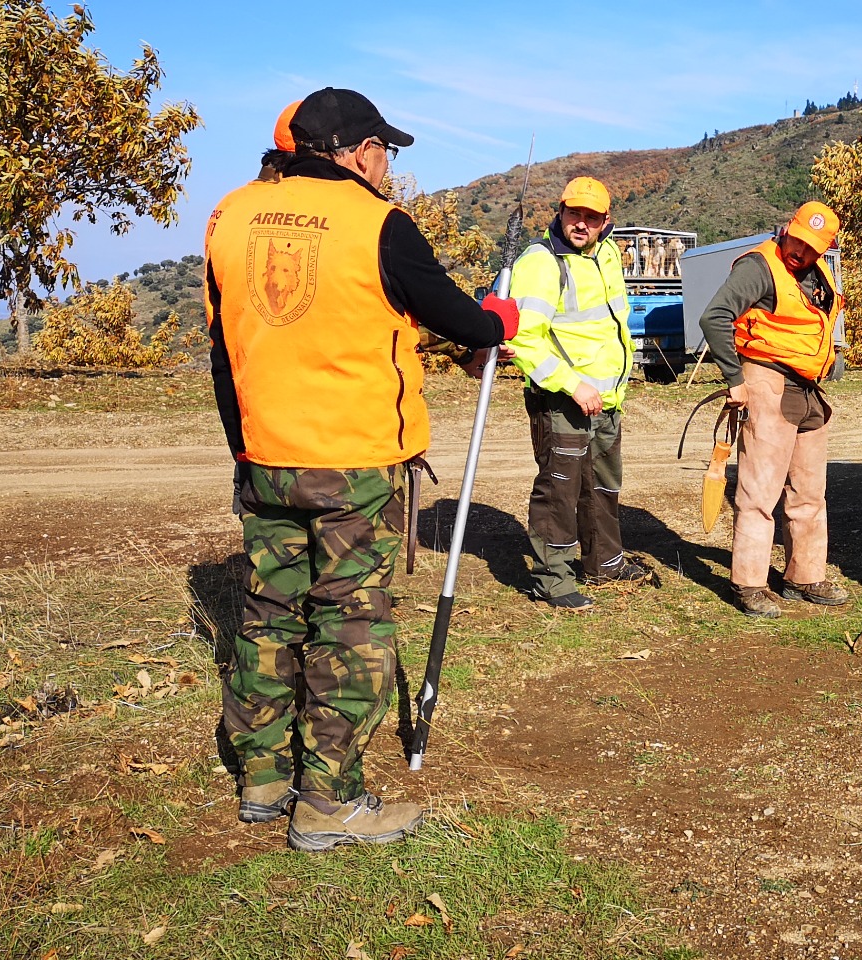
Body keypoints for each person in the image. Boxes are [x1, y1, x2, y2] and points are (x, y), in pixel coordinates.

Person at [203, 87, 520, 851]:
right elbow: (465, 320)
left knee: (270, 614)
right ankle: (329, 802)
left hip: (266, 457)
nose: (390, 165)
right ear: (357, 150)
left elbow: (225, 349)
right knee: (349, 626)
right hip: (352, 463)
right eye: (387, 150)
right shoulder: (380, 224)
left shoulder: (233, 214)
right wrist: (497, 320)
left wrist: (241, 447)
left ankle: (264, 777)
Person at [499, 177, 649, 609]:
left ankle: (605, 562)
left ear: (606, 221)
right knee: (560, 490)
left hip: (607, 400)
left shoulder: (607, 255)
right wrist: (572, 384)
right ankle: (554, 579)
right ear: (560, 211)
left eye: (592, 216)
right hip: (562, 400)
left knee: (602, 485)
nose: (581, 223)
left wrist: (610, 387)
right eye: (574, 213)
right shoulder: (541, 262)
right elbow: (524, 340)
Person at [698, 201, 849, 618]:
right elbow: (714, 318)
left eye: (812, 246)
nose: (801, 251)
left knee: (809, 491)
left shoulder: (817, 272)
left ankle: (804, 576)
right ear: (787, 228)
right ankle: (748, 583)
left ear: (826, 246)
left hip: (807, 388)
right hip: (765, 381)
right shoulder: (759, 267)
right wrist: (734, 379)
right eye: (797, 240)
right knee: (758, 492)